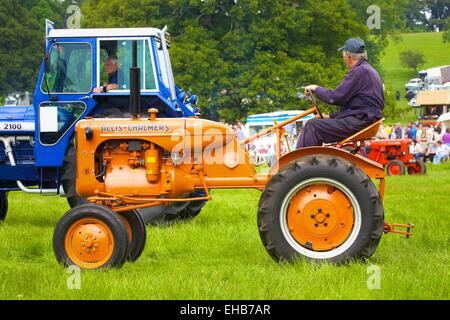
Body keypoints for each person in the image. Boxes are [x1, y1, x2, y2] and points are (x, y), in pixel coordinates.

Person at [296, 38, 384, 148]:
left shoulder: (359, 71)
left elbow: (335, 97)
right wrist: (329, 117)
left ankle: (299, 163)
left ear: (348, 55)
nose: (343, 57)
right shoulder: (368, 70)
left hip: (361, 121)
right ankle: (313, 161)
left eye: (343, 54)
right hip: (364, 119)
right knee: (317, 122)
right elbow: (358, 107)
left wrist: (316, 88)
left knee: (312, 125)